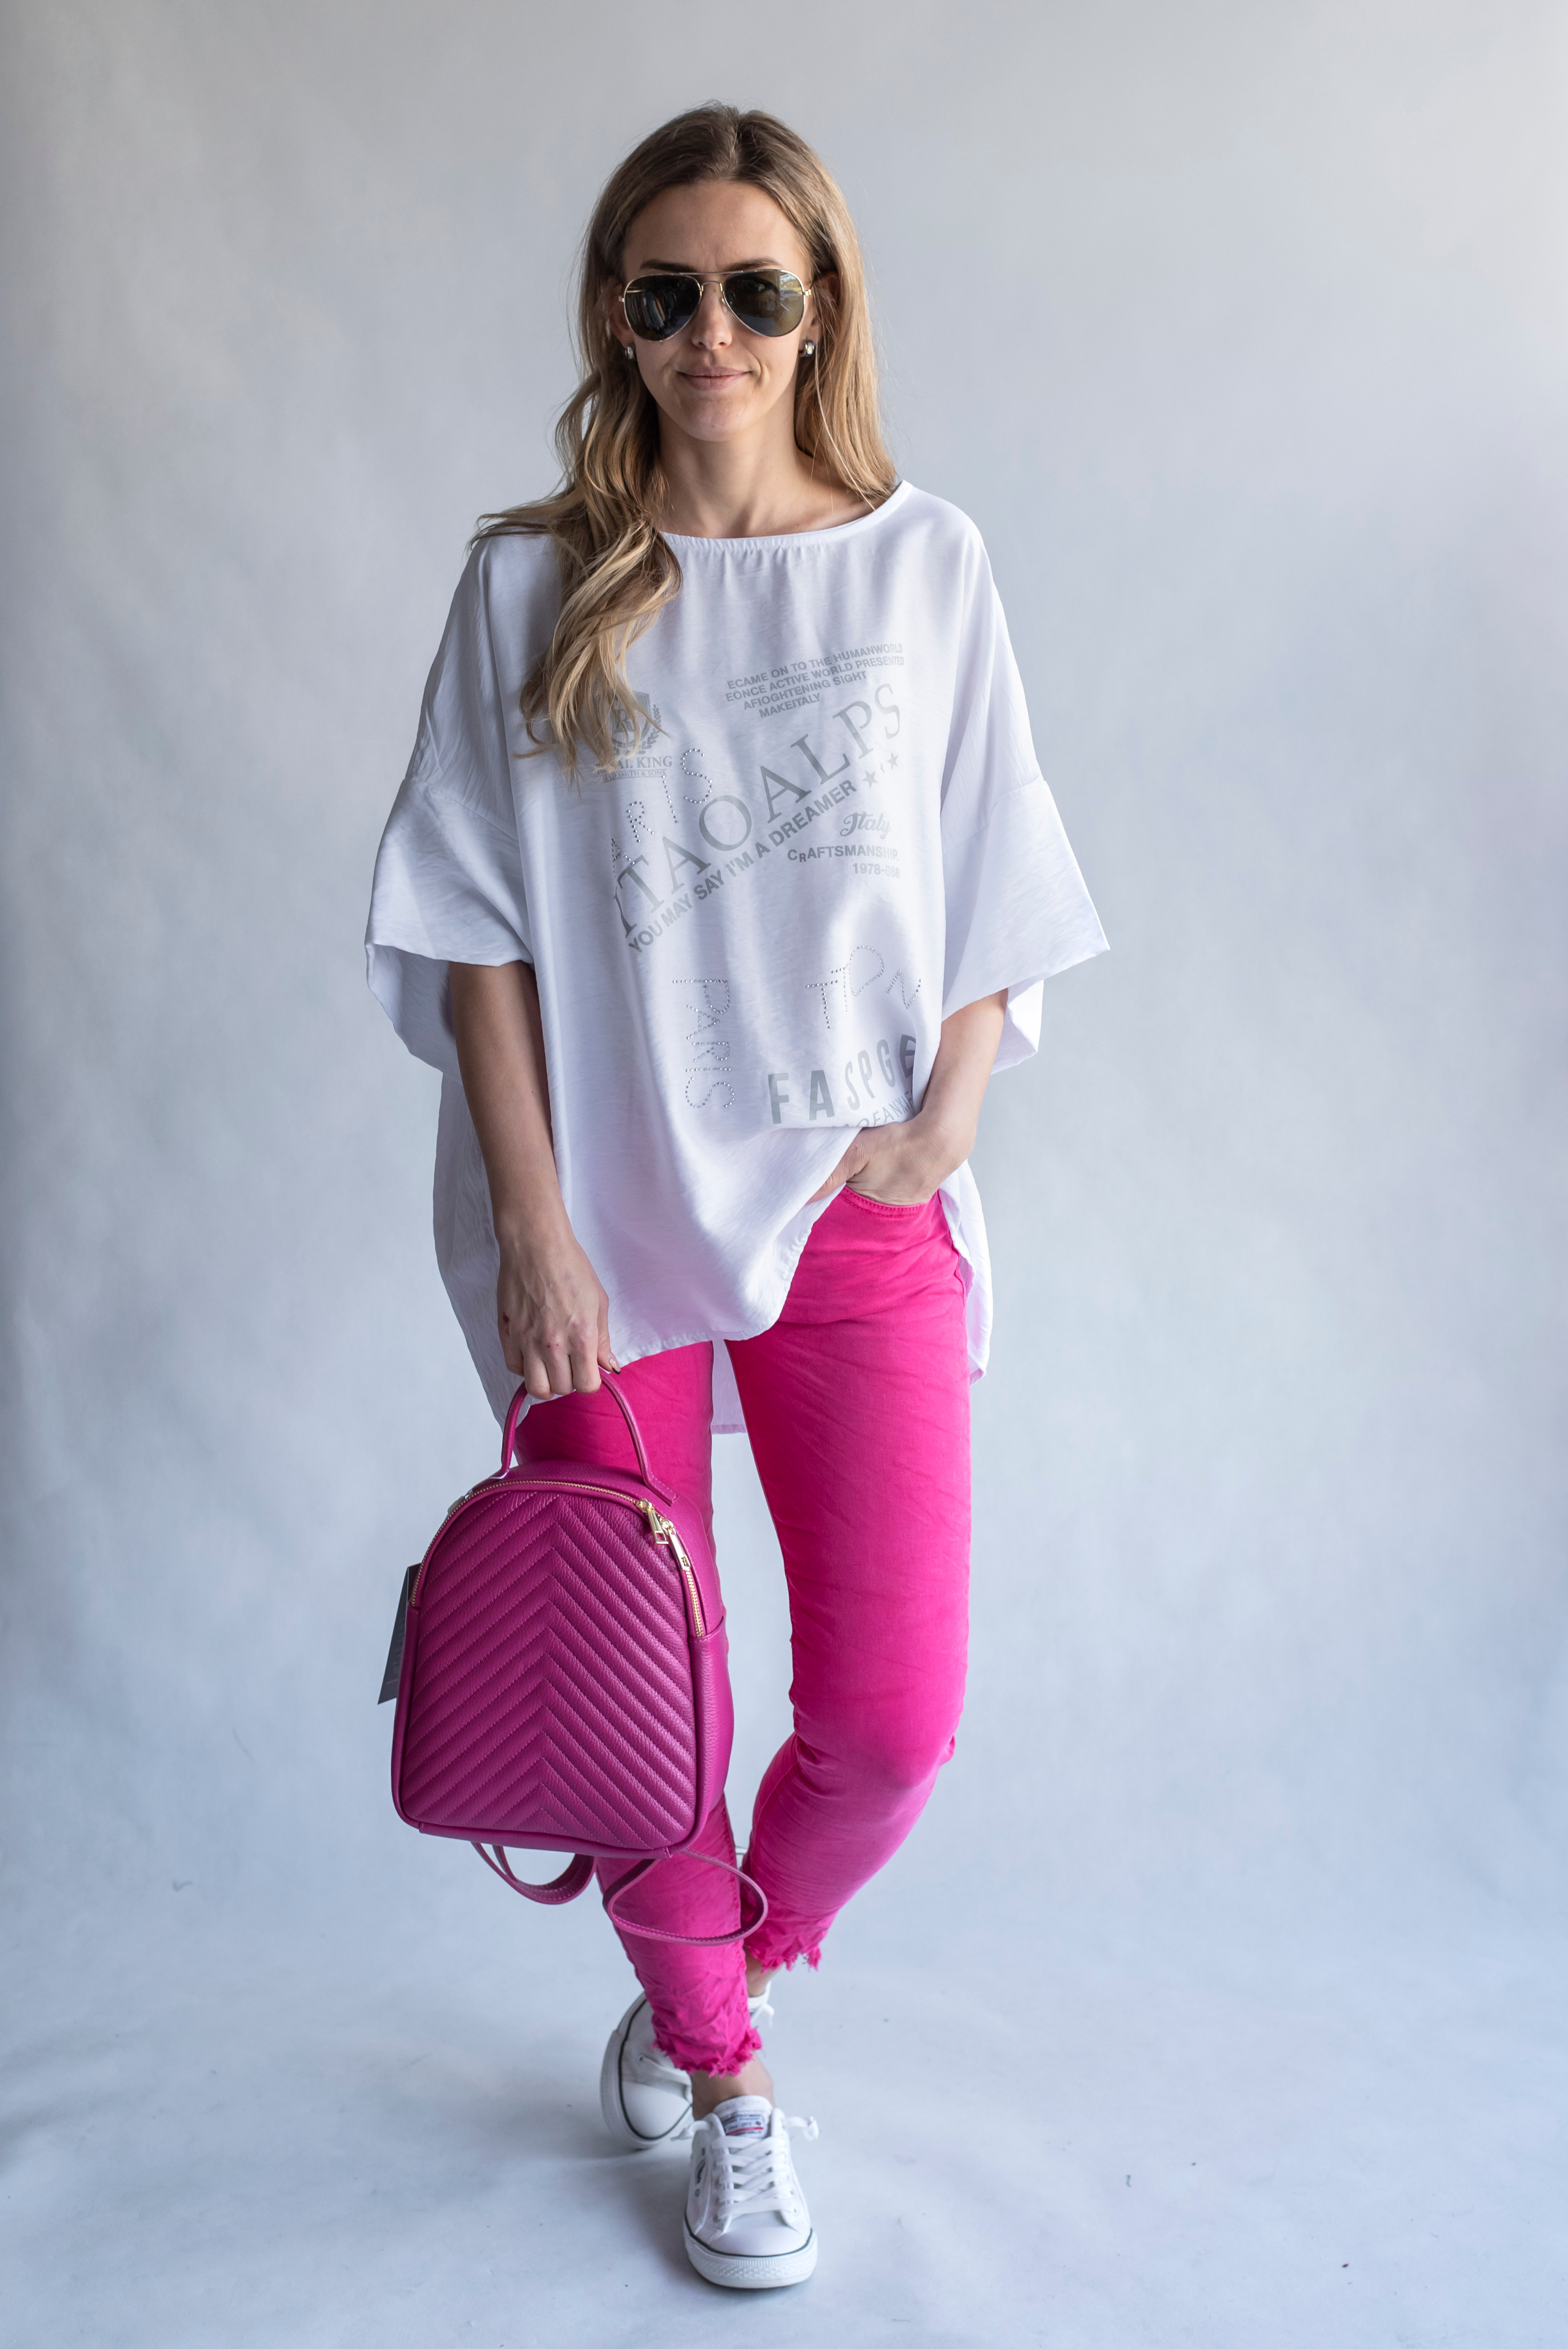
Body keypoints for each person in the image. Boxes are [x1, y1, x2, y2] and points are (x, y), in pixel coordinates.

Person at [366, 102, 1106, 2291]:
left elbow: (995, 864)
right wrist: (533, 1227)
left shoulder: (922, 566)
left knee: (888, 1723)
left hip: (857, 1206)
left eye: (755, 290)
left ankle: (717, 1966)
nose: (712, 331)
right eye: (666, 291)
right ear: (616, 314)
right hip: (600, 1236)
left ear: (818, 311)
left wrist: (946, 1124)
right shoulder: (530, 585)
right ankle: (725, 2077)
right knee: (635, 1707)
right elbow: (472, 926)